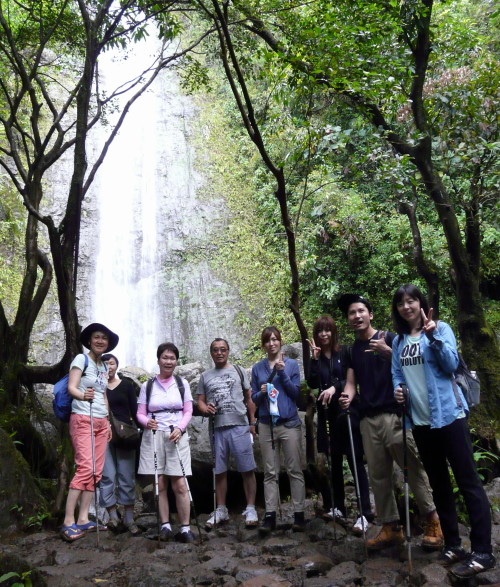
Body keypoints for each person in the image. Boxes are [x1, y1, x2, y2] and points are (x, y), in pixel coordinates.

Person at [391, 284, 495, 578]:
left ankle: (483, 551)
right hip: (421, 421)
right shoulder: (399, 341)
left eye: (411, 300)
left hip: (449, 416)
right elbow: (397, 374)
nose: (406, 306)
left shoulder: (441, 329)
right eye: (401, 302)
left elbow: (450, 364)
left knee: (468, 481)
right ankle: (453, 544)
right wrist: (398, 391)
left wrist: (433, 335)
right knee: (439, 483)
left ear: (421, 303)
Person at [337, 294, 443, 551]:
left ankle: (433, 520)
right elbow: (352, 383)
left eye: (361, 311)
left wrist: (388, 353)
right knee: (379, 476)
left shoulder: (391, 339)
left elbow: (409, 370)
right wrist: (346, 397)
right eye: (352, 313)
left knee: (411, 468)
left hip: (395, 416)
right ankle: (391, 526)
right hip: (368, 420)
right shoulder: (351, 350)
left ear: (371, 314)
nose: (357, 316)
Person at [306, 315, 373, 534]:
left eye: (327, 330)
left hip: (347, 411)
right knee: (334, 461)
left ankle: (365, 512)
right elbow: (313, 383)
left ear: (333, 331)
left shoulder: (345, 352)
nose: (323, 334)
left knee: (354, 460)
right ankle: (339, 507)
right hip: (327, 414)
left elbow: (351, 379)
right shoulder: (316, 357)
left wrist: (336, 387)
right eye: (320, 331)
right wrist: (314, 359)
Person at [60, 322, 118, 542]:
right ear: (90, 340)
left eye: (104, 338)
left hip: (101, 422)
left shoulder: (103, 366)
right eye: (97, 337)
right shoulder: (80, 359)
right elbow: (72, 387)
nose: (100, 341)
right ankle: (68, 521)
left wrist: (109, 422)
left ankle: (84, 518)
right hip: (83, 418)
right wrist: (82, 396)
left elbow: (103, 394)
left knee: (96, 472)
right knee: (85, 467)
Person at [197, 338, 258, 529]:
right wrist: (205, 408)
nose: (219, 353)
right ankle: (221, 509)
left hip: (239, 426)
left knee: (247, 468)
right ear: (211, 353)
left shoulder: (238, 371)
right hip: (217, 428)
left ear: (228, 351)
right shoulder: (205, 376)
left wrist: (253, 422)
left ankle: (251, 507)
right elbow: (200, 401)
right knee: (220, 470)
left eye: (223, 349)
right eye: (215, 350)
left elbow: (249, 398)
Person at [136, 342, 195, 543]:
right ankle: (165, 525)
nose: (169, 361)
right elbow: (140, 414)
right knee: (159, 484)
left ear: (176, 361)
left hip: (176, 435)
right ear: (158, 359)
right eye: (165, 357)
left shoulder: (182, 384)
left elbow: (188, 411)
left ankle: (185, 527)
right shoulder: (148, 386)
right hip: (154, 435)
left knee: (179, 484)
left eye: (172, 358)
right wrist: (146, 422)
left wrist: (180, 428)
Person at [251, 327, 306, 534]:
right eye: (268, 341)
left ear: (280, 341)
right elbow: (254, 398)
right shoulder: (258, 369)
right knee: (270, 472)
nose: (272, 343)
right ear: (264, 345)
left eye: (275, 339)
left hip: (289, 423)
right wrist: (262, 392)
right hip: (267, 424)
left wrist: (282, 373)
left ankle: (299, 514)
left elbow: (294, 393)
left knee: (294, 469)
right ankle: (270, 515)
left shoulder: (291, 365)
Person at [99, 353, 140, 535]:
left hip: (125, 435)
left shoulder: (127, 385)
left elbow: (136, 411)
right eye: (105, 363)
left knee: (126, 475)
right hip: (102, 435)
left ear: (117, 365)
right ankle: (113, 516)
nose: (109, 366)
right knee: (107, 475)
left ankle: (129, 517)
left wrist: (141, 432)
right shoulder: (97, 386)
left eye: (112, 363)